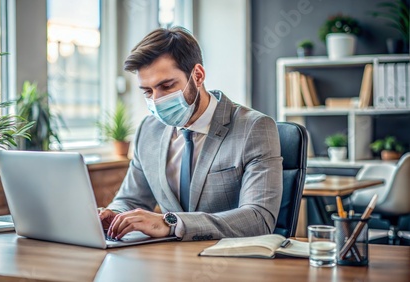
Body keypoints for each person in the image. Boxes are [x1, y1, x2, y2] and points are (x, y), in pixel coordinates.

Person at [99, 26, 283, 241]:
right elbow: (130, 200)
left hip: (231, 262)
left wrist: (171, 223)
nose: (156, 100)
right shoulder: (149, 131)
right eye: (148, 91)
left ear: (197, 75)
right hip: (168, 262)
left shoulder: (254, 128)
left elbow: (258, 218)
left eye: (166, 86)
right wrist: (114, 215)